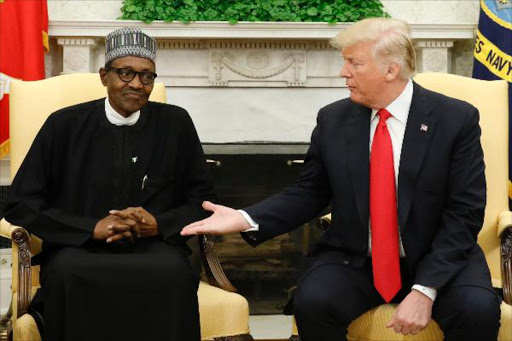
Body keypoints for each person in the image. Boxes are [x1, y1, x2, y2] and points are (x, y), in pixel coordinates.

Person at [181, 18, 501, 341]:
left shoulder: (456, 120)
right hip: (357, 259)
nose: (343, 72)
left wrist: (424, 289)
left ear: (390, 70)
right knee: (313, 302)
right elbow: (309, 192)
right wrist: (244, 218)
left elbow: (465, 213)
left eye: (354, 63)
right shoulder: (334, 119)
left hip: (439, 256)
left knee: (477, 309)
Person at [5, 27, 215, 341]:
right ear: (104, 76)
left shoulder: (175, 123)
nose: (136, 84)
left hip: (154, 248)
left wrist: (158, 223)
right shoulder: (64, 125)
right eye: (126, 73)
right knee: (67, 274)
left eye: (147, 76)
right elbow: (20, 203)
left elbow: (203, 198)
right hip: (77, 249)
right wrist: (90, 228)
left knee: (174, 274)